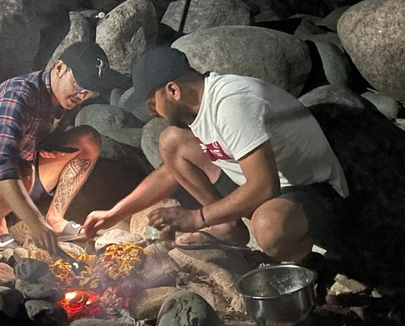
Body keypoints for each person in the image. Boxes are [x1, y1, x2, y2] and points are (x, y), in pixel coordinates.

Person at [83, 46, 349, 262]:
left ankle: (308, 262)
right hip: (261, 182)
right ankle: (227, 227)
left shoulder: (231, 104)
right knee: (171, 142)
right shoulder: (202, 106)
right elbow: (168, 174)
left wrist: (196, 218)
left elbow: (264, 186)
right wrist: (114, 214)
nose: (151, 111)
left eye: (152, 102)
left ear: (173, 90)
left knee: (269, 228)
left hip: (312, 189)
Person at [0, 42, 111, 254]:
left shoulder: (61, 98)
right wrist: (35, 223)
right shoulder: (18, 96)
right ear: (59, 68)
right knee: (20, 168)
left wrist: (46, 145)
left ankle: (55, 219)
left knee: (88, 141)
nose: (81, 95)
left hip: (24, 168)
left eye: (88, 92)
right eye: (77, 85)